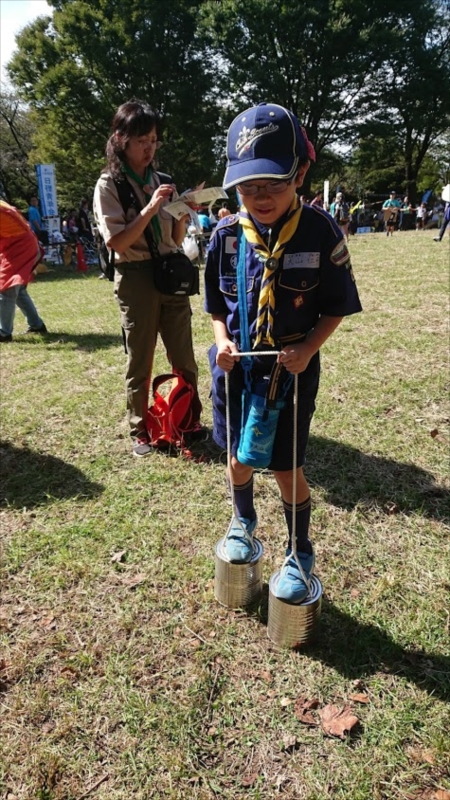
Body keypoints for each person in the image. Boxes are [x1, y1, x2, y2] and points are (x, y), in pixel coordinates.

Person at [204, 102, 362, 603]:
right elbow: (215, 306)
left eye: (273, 184)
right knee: (236, 458)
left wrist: (309, 347)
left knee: (286, 467)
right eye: (249, 187)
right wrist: (222, 340)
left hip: (290, 377)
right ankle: (242, 520)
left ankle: (299, 551)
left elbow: (336, 306)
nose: (261, 197)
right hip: (236, 373)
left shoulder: (321, 233)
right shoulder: (226, 236)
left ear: (300, 174)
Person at [93, 99, 203, 457]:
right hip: (135, 275)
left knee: (184, 356)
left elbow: (172, 240)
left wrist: (185, 213)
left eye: (154, 140)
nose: (150, 148)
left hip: (169, 273)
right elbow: (117, 241)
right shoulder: (109, 185)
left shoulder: (163, 182)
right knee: (139, 359)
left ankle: (187, 421)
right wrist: (150, 208)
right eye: (143, 140)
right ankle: (140, 429)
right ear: (122, 139)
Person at [0, 199, 48, 342]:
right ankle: (36, 325)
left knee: (6, 288)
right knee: (18, 290)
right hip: (20, 243)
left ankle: (3, 333)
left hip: (20, 246)